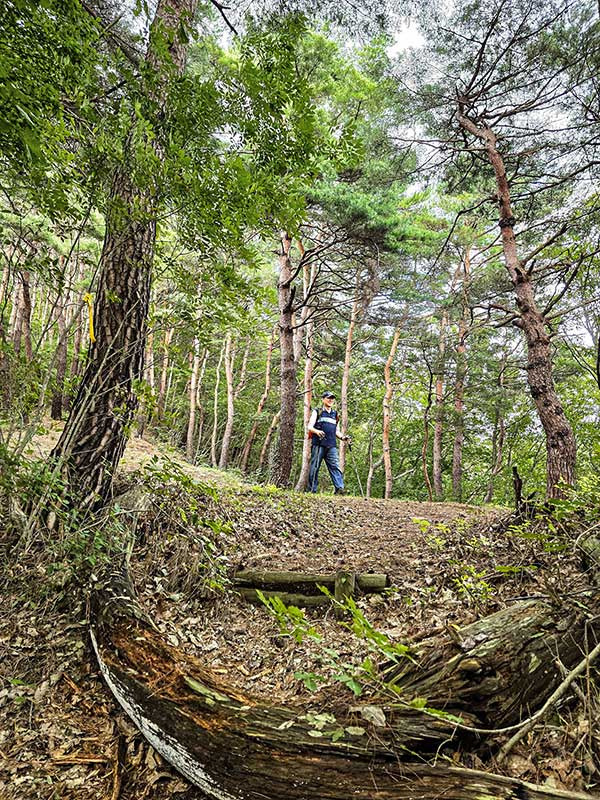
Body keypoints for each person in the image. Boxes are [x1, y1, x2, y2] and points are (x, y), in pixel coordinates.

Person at [307, 391, 351, 494]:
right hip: (318, 444)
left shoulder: (335, 414)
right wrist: (317, 431)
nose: (330, 400)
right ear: (323, 399)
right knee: (315, 467)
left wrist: (344, 438)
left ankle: (339, 489)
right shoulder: (317, 411)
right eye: (328, 398)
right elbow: (309, 426)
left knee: (335, 466)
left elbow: (336, 431)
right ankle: (312, 490)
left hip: (331, 445)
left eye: (332, 398)